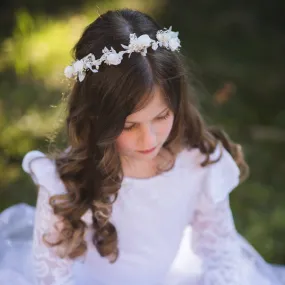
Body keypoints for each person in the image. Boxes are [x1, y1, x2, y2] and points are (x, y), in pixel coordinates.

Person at [0, 8, 284, 285]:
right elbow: (52, 277)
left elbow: (221, 249)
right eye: (129, 126)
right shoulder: (67, 183)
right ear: (97, 118)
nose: (149, 140)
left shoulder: (197, 161)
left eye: (161, 117)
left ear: (177, 103)